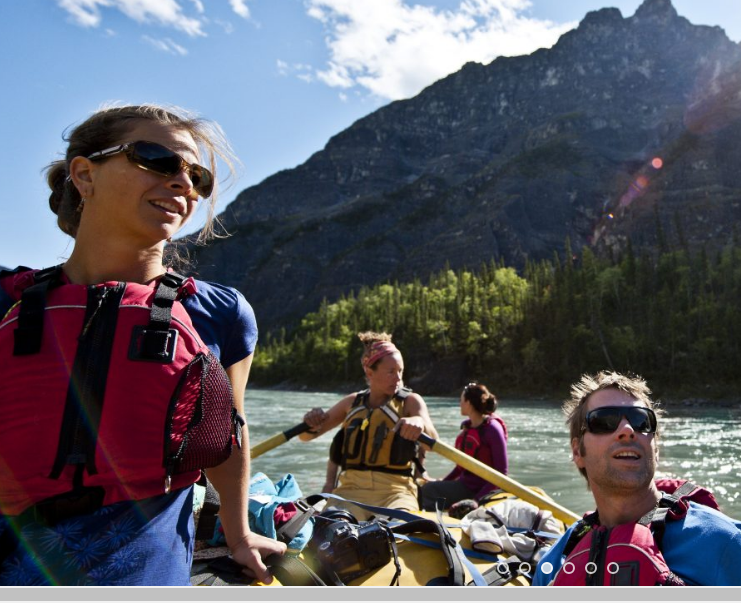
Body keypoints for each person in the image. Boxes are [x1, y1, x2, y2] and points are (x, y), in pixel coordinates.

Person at [0, 104, 285, 585]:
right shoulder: (5, 300)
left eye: (197, 175)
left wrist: (238, 535)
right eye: (156, 158)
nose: (184, 184)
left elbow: (226, 433)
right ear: (84, 175)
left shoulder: (222, 313)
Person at [531, 371, 741, 586]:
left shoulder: (723, 543)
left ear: (656, 446)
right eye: (604, 421)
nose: (627, 430)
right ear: (578, 451)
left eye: (642, 421)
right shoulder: (555, 564)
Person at [300, 332, 438, 519]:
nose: (398, 378)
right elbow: (306, 436)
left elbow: (431, 443)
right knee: (335, 529)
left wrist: (419, 422)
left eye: (400, 371)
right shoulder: (351, 403)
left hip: (396, 492)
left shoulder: (411, 402)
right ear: (369, 372)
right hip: (350, 492)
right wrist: (310, 421)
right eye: (391, 372)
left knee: (401, 527)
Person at [419, 382, 509, 510]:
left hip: (483, 490)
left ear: (469, 403)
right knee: (428, 488)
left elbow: (502, 472)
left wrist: (476, 500)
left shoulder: (493, 429)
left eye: (461, 400)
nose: (459, 404)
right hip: (467, 486)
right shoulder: (469, 428)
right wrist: (443, 482)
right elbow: (461, 468)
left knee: (428, 490)